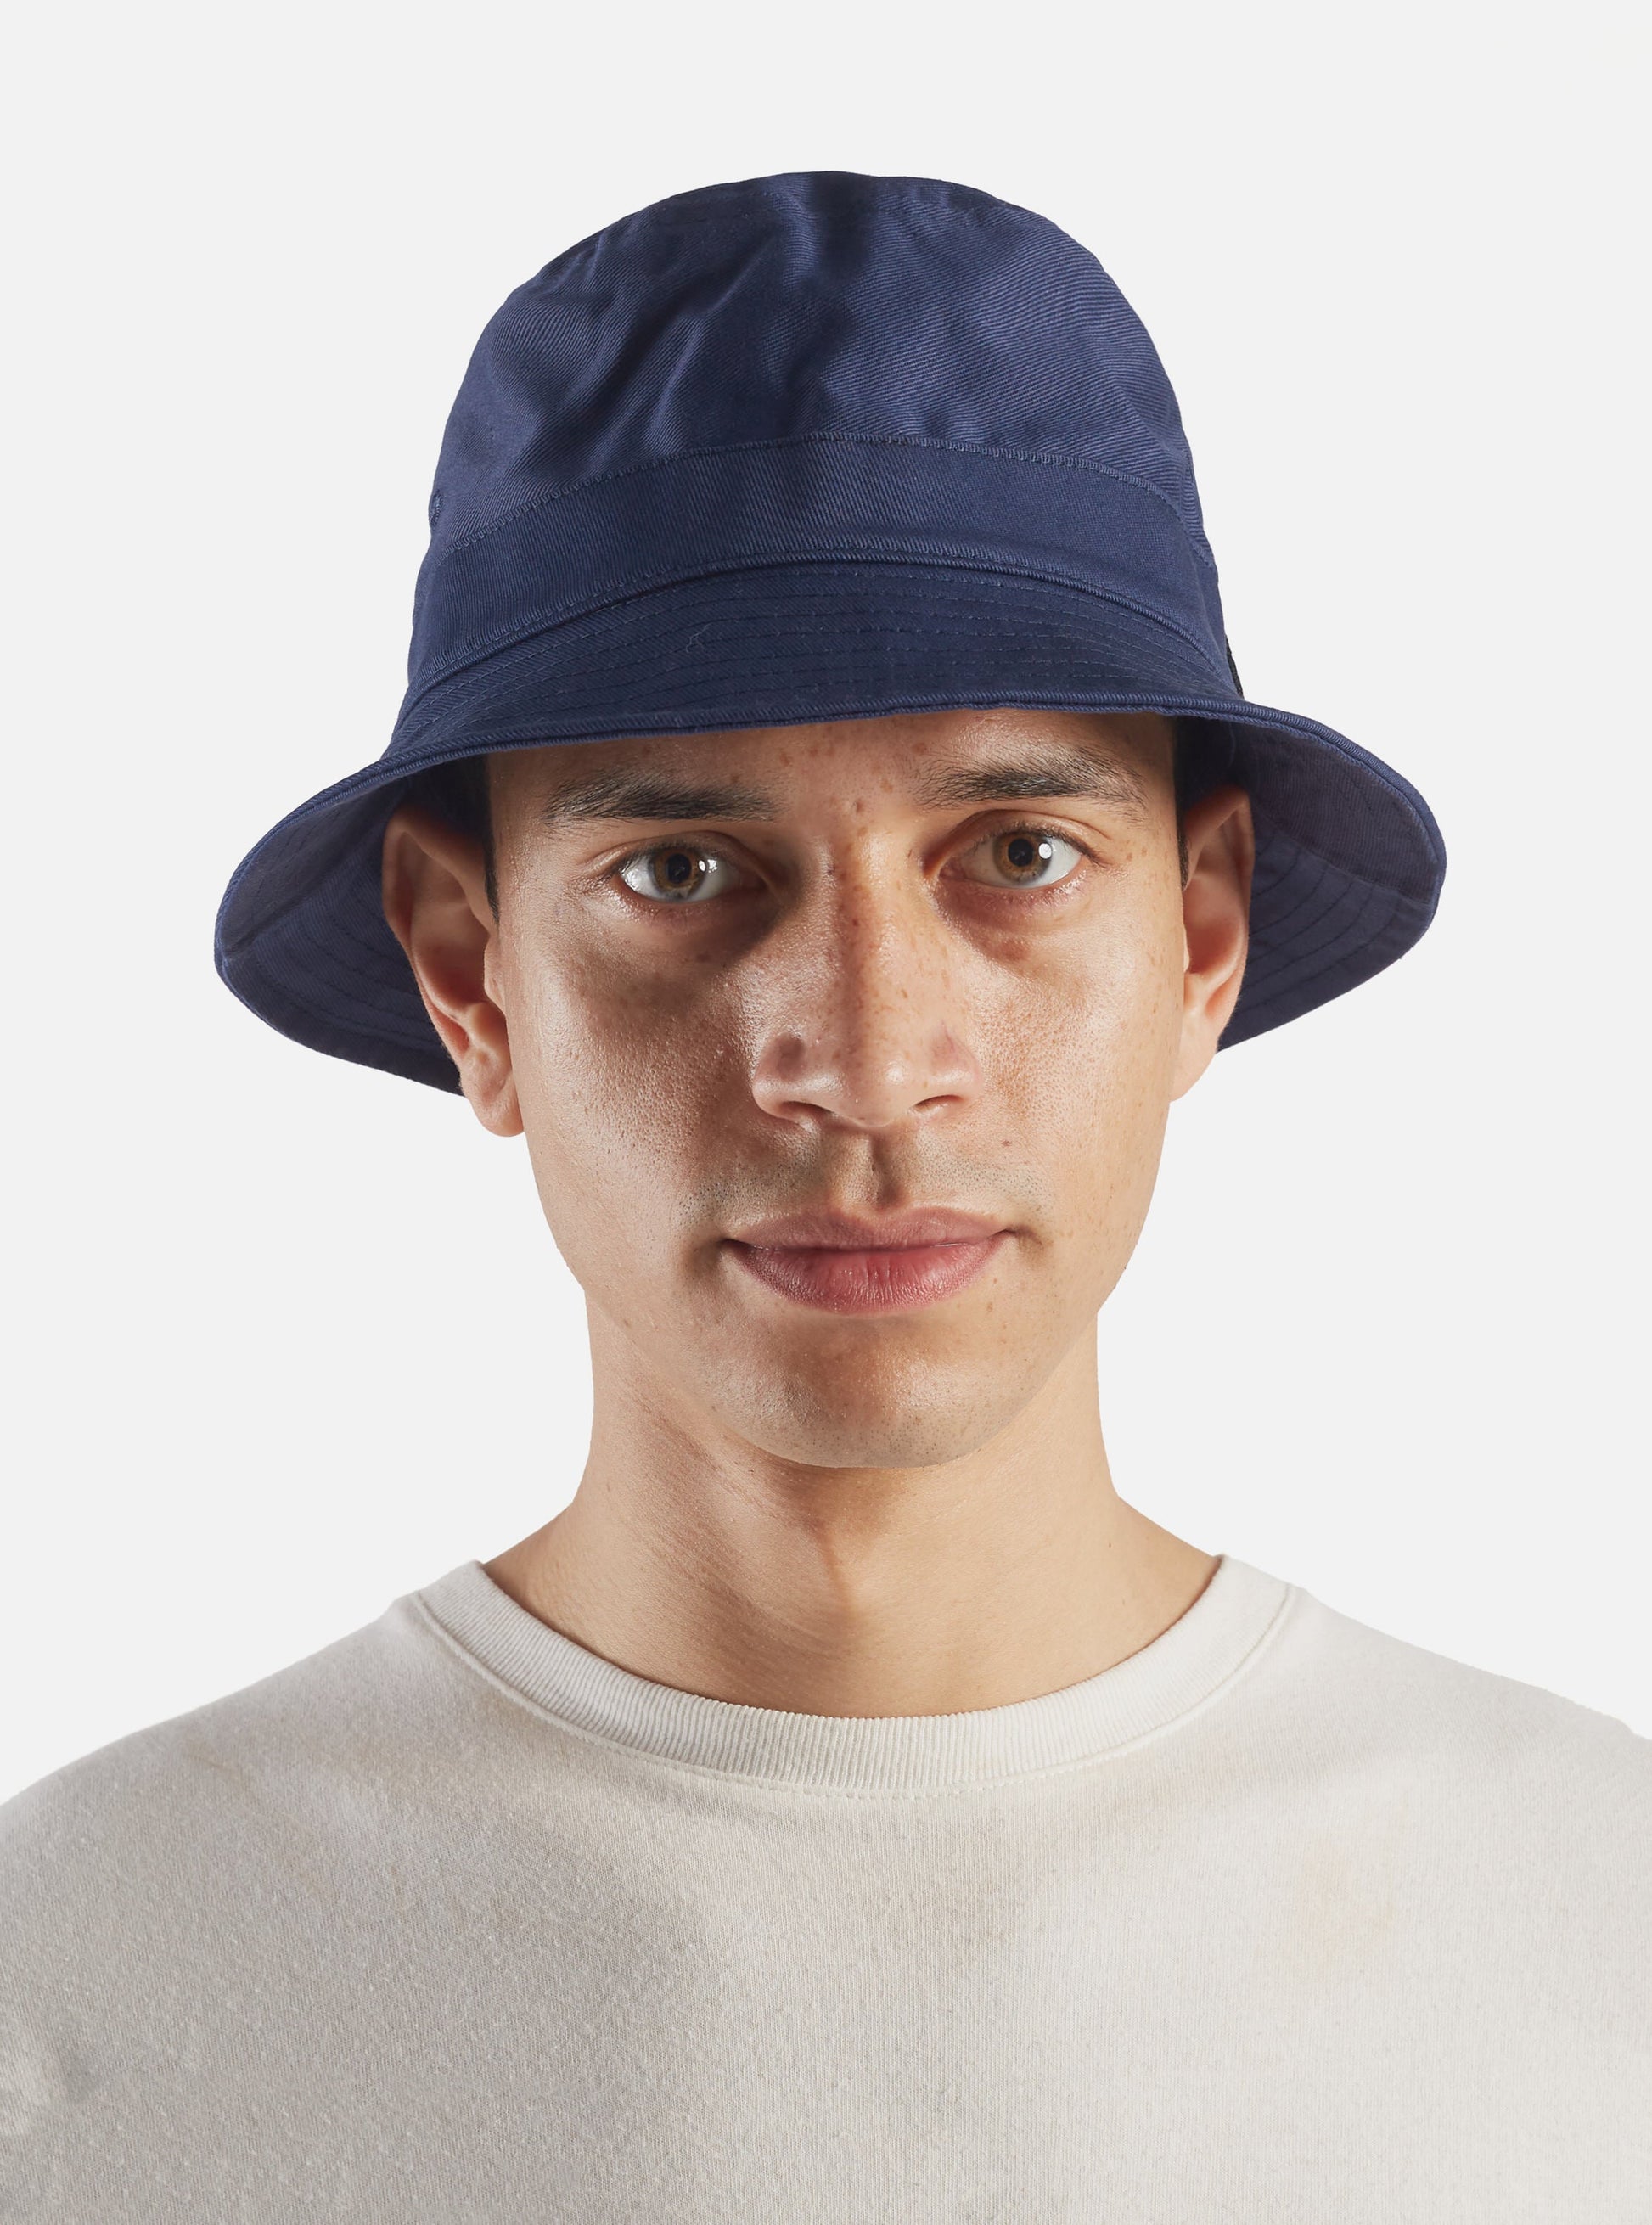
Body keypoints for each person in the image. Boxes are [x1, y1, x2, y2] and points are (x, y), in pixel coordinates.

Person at [3, 171, 1646, 2220]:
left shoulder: (1598, 1934)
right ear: (470, 974)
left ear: (1202, 935)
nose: (866, 1061)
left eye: (1017, 855)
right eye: (682, 873)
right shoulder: (74, 1986)